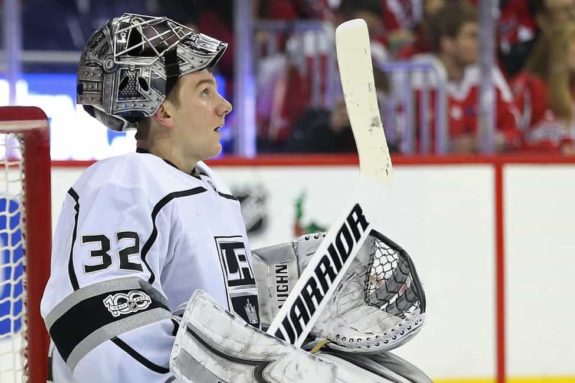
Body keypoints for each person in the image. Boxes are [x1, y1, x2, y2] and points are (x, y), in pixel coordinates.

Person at [41, 13, 431, 383]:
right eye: (204, 92)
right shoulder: (122, 184)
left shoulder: (211, 189)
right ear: (162, 110)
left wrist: (268, 295)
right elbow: (95, 323)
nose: (224, 106)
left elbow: (207, 318)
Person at [404, 2, 522, 153]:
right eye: (472, 36)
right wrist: (448, 147)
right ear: (447, 43)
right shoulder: (417, 74)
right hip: (429, 173)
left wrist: (496, 140)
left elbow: (515, 130)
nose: (480, 44)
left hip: (481, 172)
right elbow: (401, 142)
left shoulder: (487, 73)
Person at [511, 23, 575, 153]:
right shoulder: (530, 87)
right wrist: (556, 150)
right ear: (559, 51)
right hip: (535, 170)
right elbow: (510, 140)